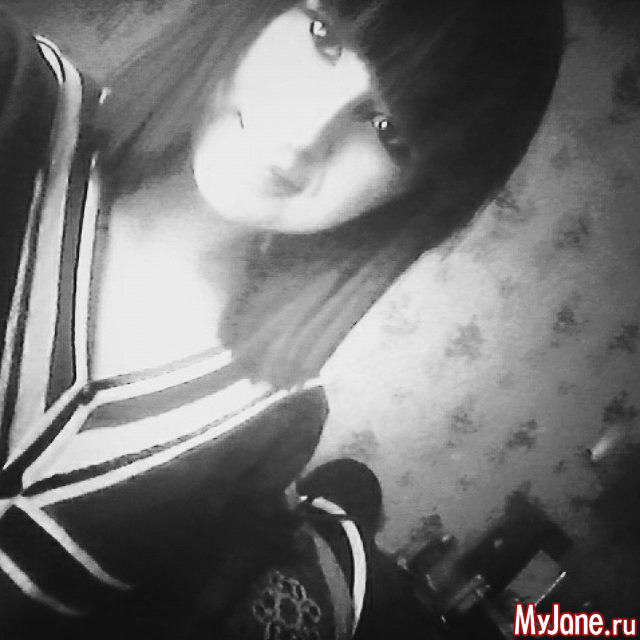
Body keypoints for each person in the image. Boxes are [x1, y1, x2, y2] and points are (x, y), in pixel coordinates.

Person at [0, 0, 564, 636]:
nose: (302, 136)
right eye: (324, 37)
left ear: (415, 195)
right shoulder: (17, 94)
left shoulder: (273, 425)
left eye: (387, 130)